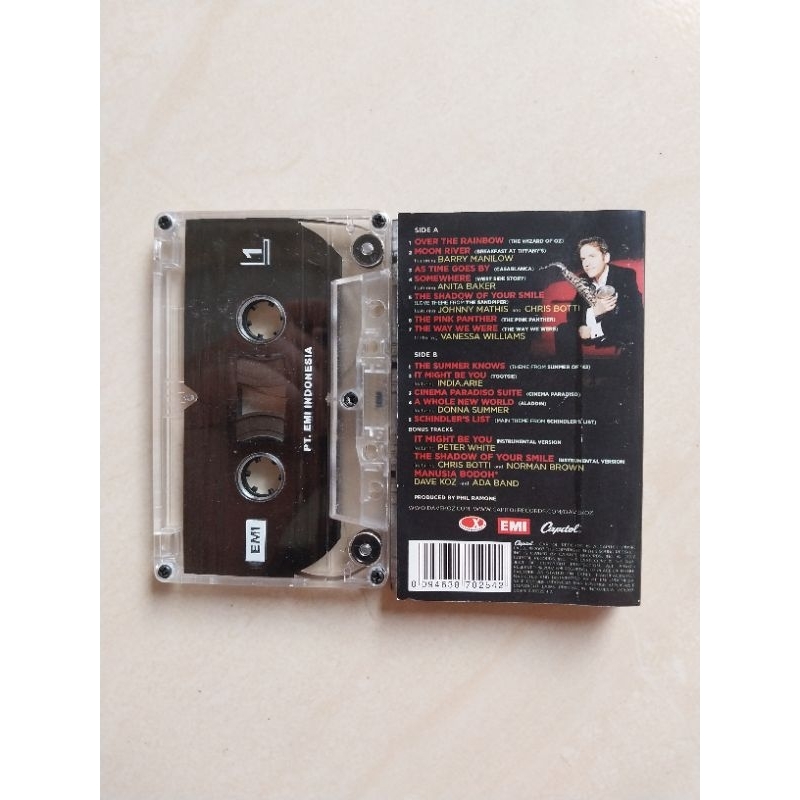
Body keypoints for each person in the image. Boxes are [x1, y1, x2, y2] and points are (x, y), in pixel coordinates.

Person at [566, 236, 643, 350]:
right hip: (590, 336)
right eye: (583, 259)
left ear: (606, 257)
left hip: (614, 337)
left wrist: (593, 331)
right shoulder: (583, 279)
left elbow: (633, 316)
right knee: (563, 329)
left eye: (592, 256)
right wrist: (593, 312)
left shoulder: (624, 275)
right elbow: (572, 314)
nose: (586, 263)